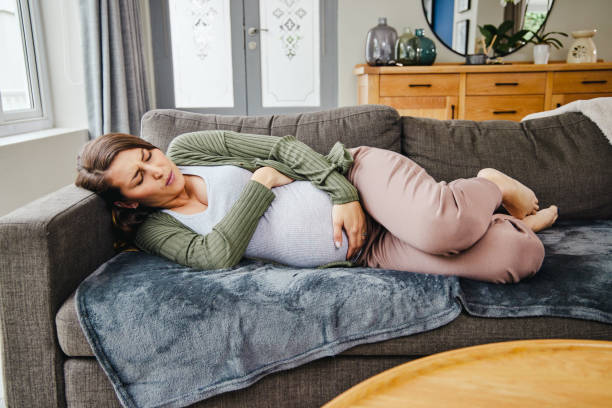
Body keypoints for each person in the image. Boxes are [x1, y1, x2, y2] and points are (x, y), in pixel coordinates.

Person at [75, 130, 558, 284]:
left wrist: (346, 195)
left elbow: (285, 149)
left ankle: (486, 184)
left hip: (358, 180)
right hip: (364, 250)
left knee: (439, 229)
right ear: (125, 199)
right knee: (519, 258)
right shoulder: (152, 229)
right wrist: (260, 184)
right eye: (139, 177)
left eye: (147, 155)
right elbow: (214, 255)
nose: (158, 170)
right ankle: (492, 220)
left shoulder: (188, 147)